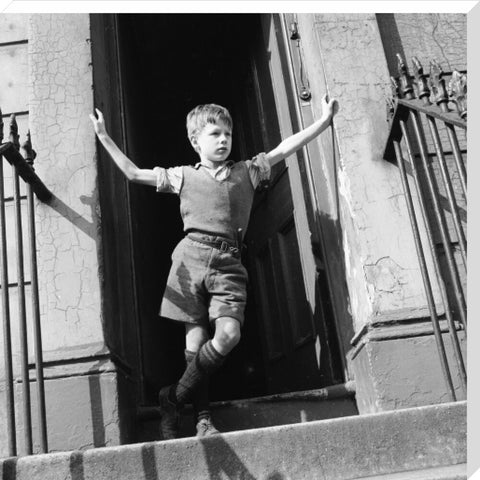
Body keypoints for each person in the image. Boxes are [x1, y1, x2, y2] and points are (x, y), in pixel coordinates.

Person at [90, 94, 337, 440]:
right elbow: (133, 174)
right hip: (189, 261)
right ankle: (203, 420)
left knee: (229, 335)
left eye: (227, 134)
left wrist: (323, 121)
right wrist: (103, 135)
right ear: (195, 141)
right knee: (195, 344)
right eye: (214, 134)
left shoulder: (248, 171)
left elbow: (286, 146)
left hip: (229, 264)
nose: (223, 140)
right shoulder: (182, 177)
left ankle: (172, 397)